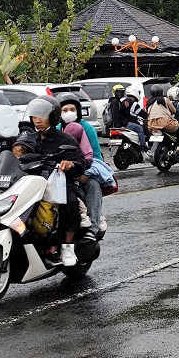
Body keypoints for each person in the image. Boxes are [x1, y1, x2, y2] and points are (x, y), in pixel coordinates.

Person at [25, 97, 88, 267]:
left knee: (70, 201)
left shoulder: (65, 140)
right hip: (32, 184)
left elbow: (81, 163)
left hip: (59, 184)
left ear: (53, 117)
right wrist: (1, 158)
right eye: (34, 116)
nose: (37, 120)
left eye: (42, 116)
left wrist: (70, 164)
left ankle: (66, 246)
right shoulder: (29, 138)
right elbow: (16, 150)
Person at [57, 93, 114, 234]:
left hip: (85, 171)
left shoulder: (87, 128)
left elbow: (95, 156)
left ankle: (93, 227)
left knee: (93, 185)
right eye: (64, 110)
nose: (69, 113)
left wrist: (86, 174)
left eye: (72, 109)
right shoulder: (56, 129)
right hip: (60, 173)